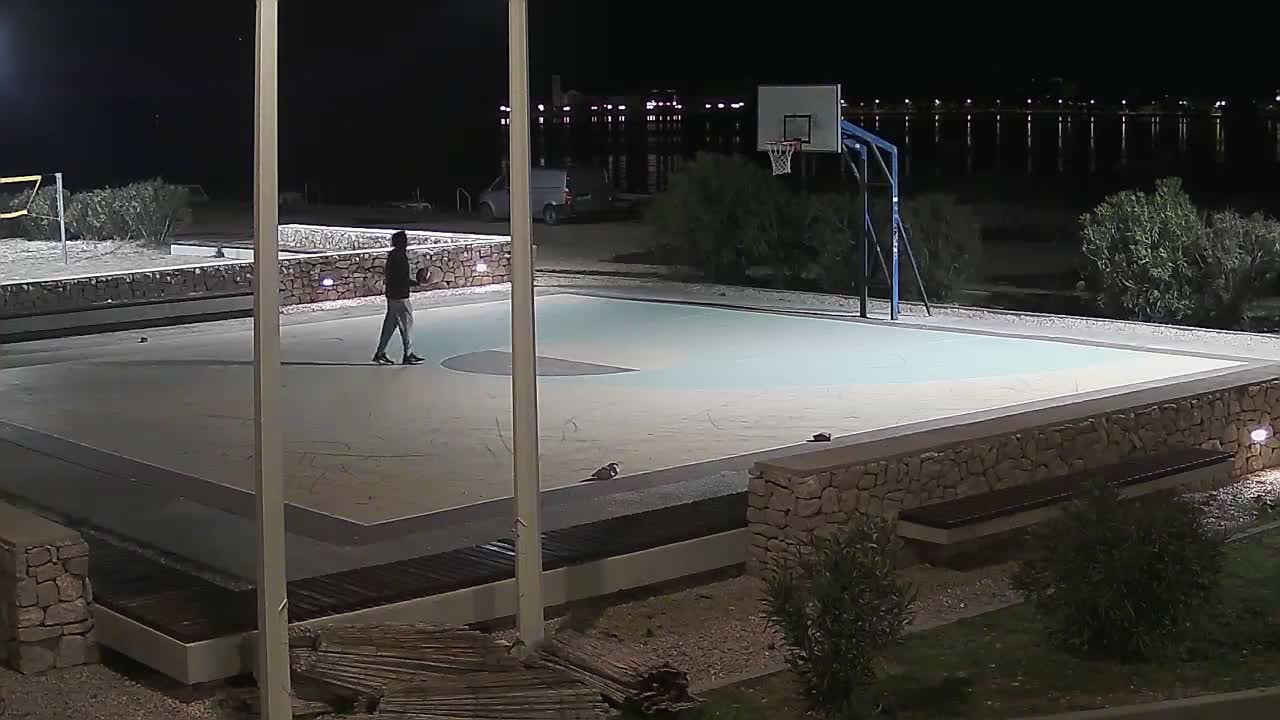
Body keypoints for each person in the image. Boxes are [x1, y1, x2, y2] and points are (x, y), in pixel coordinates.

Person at [373, 230, 425, 365]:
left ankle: (380, 353)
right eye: (405, 240)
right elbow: (401, 278)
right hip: (400, 296)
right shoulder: (399, 257)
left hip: (392, 295)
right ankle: (408, 355)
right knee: (406, 325)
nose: (407, 242)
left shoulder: (393, 255)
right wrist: (416, 283)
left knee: (390, 326)